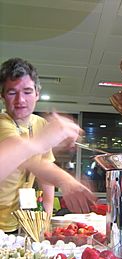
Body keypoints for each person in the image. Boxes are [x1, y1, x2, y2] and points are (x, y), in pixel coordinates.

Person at [0, 57, 96, 232]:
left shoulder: (40, 124)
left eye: (27, 92)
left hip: (21, 219)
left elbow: (43, 166)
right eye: (12, 93)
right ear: (2, 96)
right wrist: (42, 141)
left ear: (37, 93)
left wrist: (47, 213)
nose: (20, 100)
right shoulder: (2, 122)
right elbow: (21, 154)